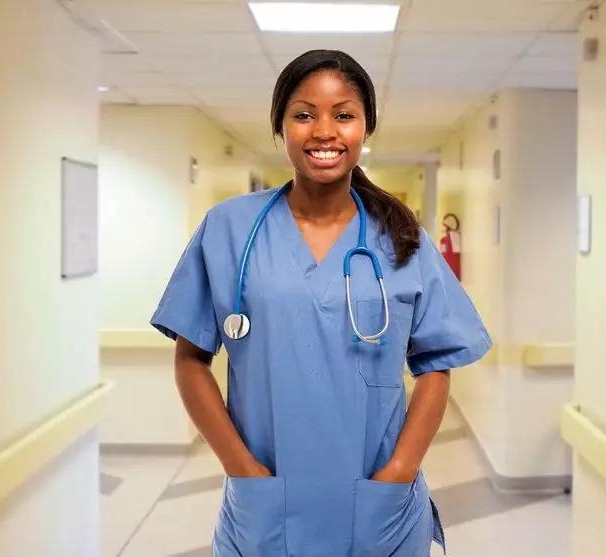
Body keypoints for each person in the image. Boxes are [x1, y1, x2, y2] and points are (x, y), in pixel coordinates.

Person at [150, 49, 492, 557]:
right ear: (281, 127)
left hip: (379, 504)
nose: (324, 131)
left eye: (344, 115)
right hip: (267, 501)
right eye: (304, 114)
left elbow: (436, 364)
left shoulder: (402, 238)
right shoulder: (229, 229)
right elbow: (191, 358)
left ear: (366, 129)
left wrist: (401, 470)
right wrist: (239, 466)